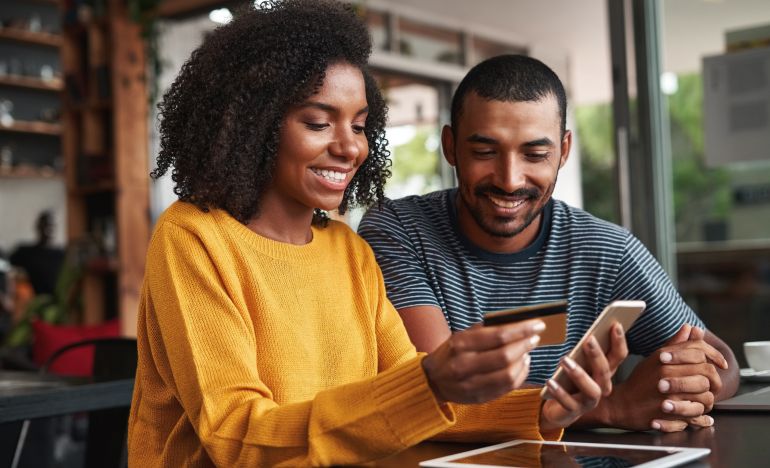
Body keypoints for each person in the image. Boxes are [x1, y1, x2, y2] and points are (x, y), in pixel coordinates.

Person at [127, 3, 629, 466]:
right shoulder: (194, 238)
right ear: (254, 124)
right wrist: (430, 382)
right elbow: (236, 436)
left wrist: (543, 410)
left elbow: (412, 397)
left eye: (362, 126)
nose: (349, 147)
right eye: (319, 123)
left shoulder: (348, 251)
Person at [358, 54, 739, 434]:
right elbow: (437, 393)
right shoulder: (398, 231)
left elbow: (723, 363)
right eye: (485, 152)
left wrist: (682, 385)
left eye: (535, 154)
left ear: (564, 151)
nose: (510, 180)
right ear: (451, 146)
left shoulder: (606, 250)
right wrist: (613, 407)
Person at [9, 210, 65, 296]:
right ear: (38, 227)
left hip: (58, 301)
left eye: (51, 225)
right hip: (36, 301)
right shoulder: (26, 253)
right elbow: (6, 265)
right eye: (45, 225)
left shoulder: (62, 254)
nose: (48, 229)